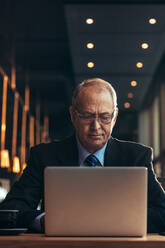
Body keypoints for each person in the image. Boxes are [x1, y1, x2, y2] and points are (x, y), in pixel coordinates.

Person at [1, 78, 165, 233]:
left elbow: (162, 212)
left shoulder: (136, 157)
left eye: (104, 117)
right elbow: (10, 210)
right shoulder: (44, 156)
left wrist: (111, 220)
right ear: (73, 115)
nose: (96, 126)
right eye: (87, 116)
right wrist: (44, 221)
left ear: (114, 117)